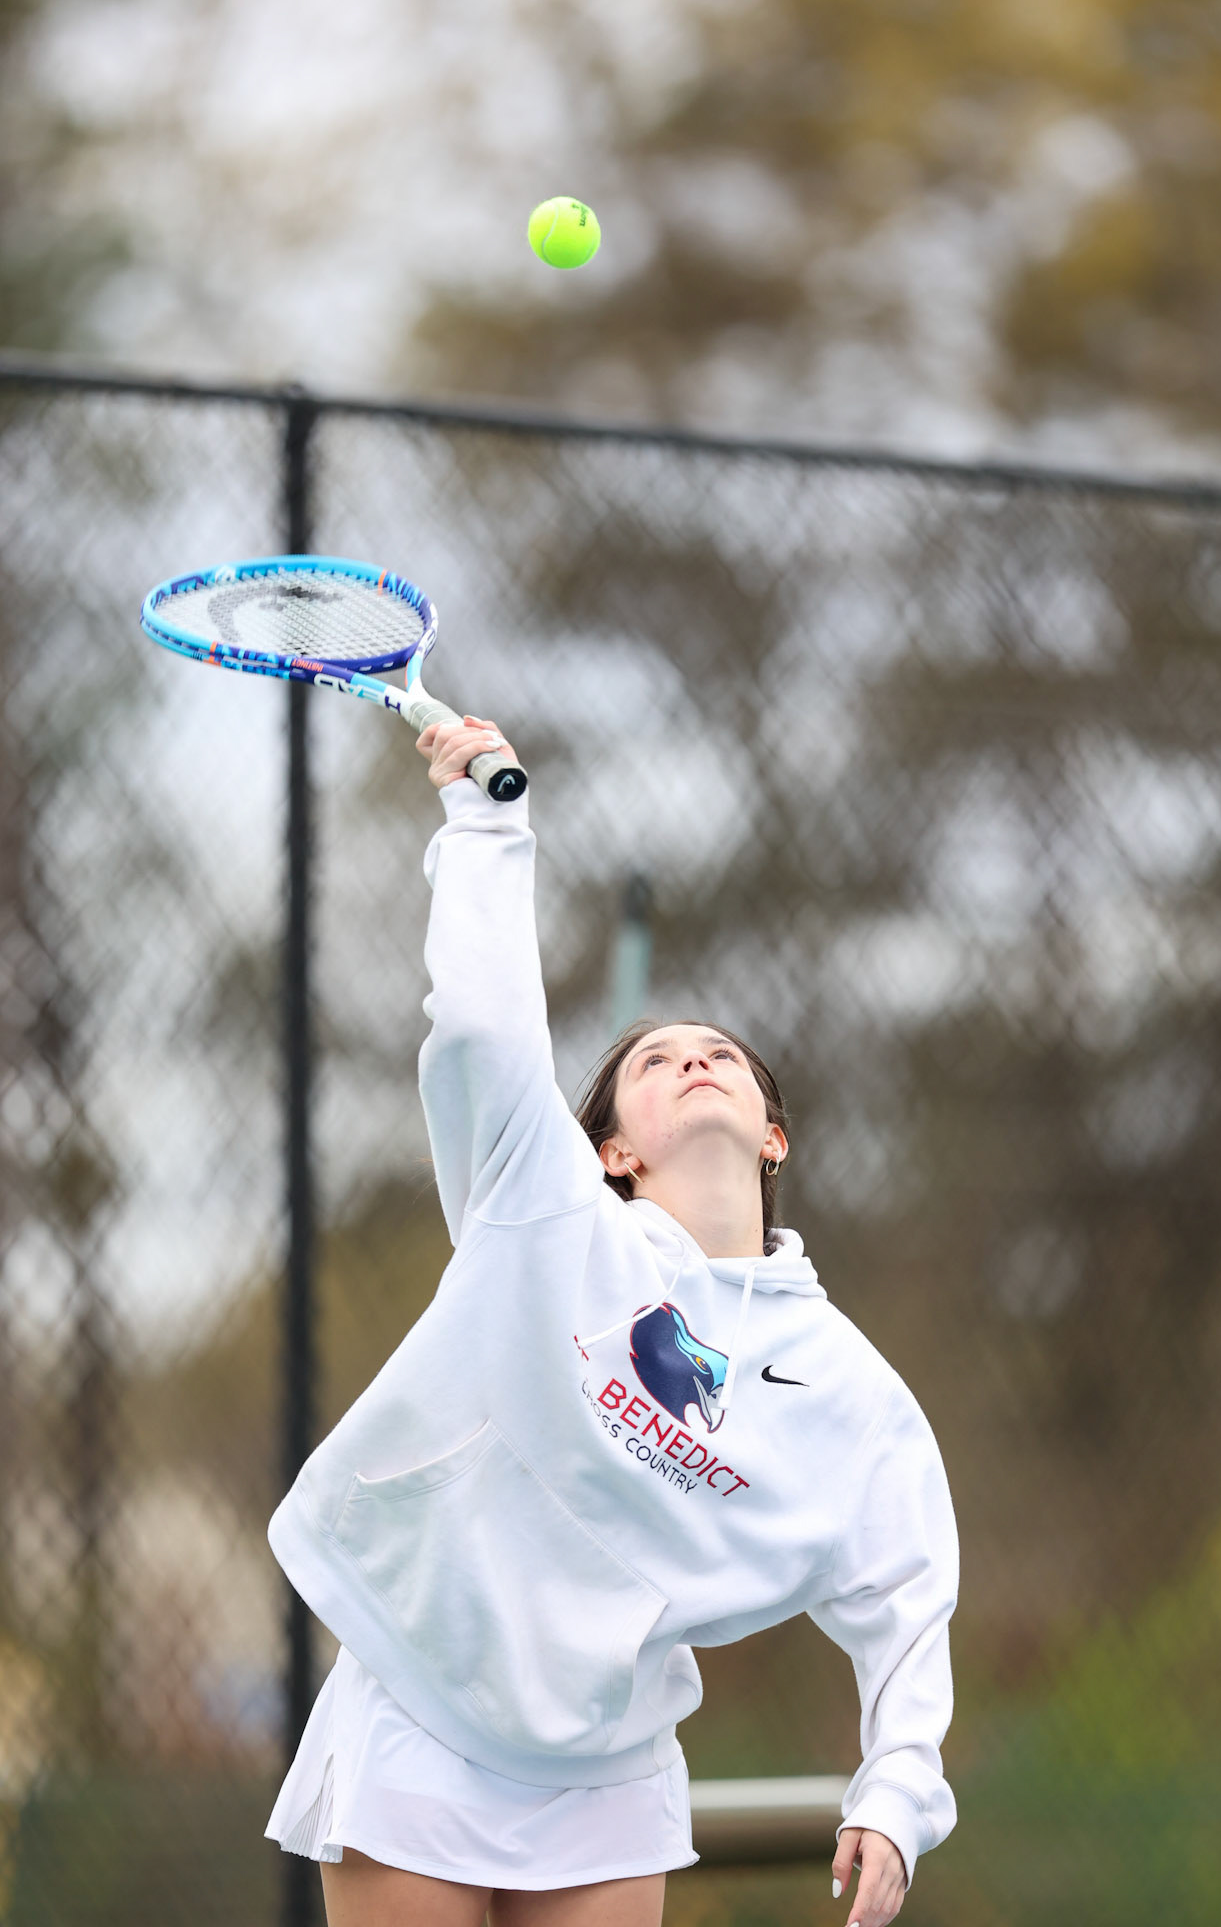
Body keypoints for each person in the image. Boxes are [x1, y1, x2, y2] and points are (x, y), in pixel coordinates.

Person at [264, 714, 959, 1927]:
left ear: (774, 1132)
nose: (694, 1059)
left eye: (724, 1055)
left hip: (605, 1766)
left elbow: (907, 1588)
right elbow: (483, 1029)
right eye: (655, 1059)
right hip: (423, 1705)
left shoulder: (849, 1389)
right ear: (612, 1147)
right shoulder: (541, 1204)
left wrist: (896, 1790)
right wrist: (487, 819)